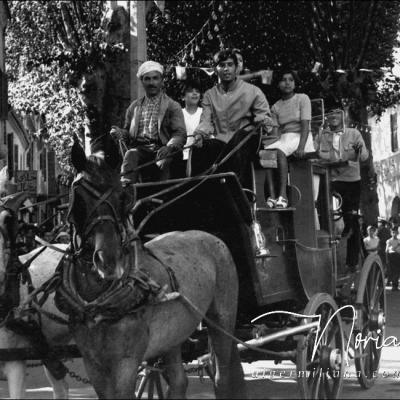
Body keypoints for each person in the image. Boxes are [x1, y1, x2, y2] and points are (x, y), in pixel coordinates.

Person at [191, 48, 273, 189]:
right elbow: (205, 121)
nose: (226, 69)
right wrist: (200, 134)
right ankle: (200, 194)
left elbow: (264, 116)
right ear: (216, 69)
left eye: (230, 65)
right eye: (222, 65)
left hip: (246, 141)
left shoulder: (253, 91)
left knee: (239, 137)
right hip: (222, 142)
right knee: (201, 147)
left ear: (236, 68)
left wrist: (263, 120)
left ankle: (240, 194)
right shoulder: (209, 95)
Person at [110, 61, 186, 184]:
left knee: (164, 161)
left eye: (155, 78)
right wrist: (120, 133)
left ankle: (162, 199)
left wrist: (169, 147)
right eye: (147, 79)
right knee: (130, 155)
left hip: (163, 149)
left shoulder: (172, 106)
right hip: (141, 150)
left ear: (161, 80)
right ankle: (127, 193)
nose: (151, 83)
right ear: (142, 81)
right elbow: (128, 132)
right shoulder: (134, 107)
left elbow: (180, 133)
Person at [317, 108, 369, 272]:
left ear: (343, 116)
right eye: (330, 114)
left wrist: (357, 150)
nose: (333, 117)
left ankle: (351, 262)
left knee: (351, 221)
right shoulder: (322, 135)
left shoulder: (353, 133)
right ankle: (325, 257)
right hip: (329, 179)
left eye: (337, 113)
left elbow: (364, 156)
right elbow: (316, 155)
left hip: (351, 182)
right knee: (321, 215)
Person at [262, 70, 315, 208]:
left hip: (301, 136)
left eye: (291, 80)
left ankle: (283, 195)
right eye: (283, 80)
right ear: (278, 84)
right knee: (266, 151)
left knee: (279, 152)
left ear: (295, 83)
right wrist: (267, 138)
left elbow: (305, 125)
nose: (287, 83)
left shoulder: (303, 98)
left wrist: (301, 147)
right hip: (285, 138)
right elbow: (275, 131)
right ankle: (272, 196)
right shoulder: (275, 106)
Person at [181, 81, 203, 174]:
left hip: (201, 156)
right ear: (183, 97)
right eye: (190, 91)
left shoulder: (204, 112)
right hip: (181, 156)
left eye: (197, 91)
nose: (194, 93)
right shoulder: (179, 113)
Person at [386, 226, 400, 291]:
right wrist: (387, 259)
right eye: (393, 232)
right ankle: (394, 286)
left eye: (395, 232)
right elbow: (387, 250)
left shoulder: (399, 240)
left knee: (397, 271)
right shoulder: (389, 241)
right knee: (393, 271)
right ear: (391, 233)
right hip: (392, 256)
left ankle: (396, 285)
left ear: (397, 233)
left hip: (398, 256)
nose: (394, 234)